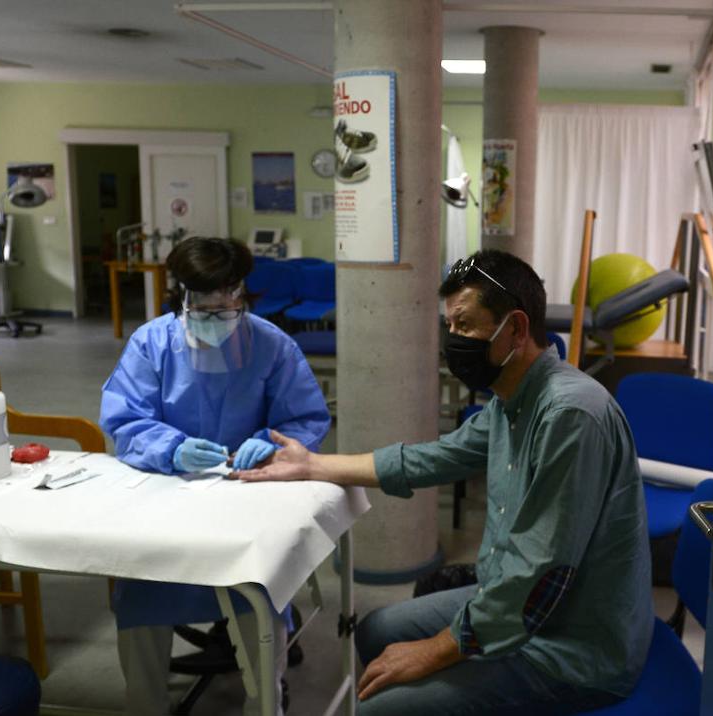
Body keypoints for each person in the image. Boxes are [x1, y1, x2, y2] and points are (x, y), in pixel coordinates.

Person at [236, 250, 652, 714]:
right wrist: (313, 464)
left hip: (572, 644)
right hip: (518, 601)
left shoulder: (569, 416)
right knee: (376, 631)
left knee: (378, 707)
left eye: (465, 325)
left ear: (514, 329)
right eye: (449, 326)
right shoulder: (512, 401)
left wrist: (437, 649)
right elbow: (432, 458)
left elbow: (541, 575)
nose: (452, 340)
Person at [100, 236, 330, 716]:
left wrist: (271, 441)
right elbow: (124, 421)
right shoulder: (152, 343)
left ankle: (264, 704)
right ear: (179, 296)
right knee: (142, 596)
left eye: (224, 308)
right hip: (166, 505)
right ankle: (145, 706)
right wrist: (173, 448)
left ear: (241, 293)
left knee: (259, 595)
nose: (213, 319)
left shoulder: (272, 345)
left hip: (248, 500)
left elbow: (305, 419)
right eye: (200, 309)